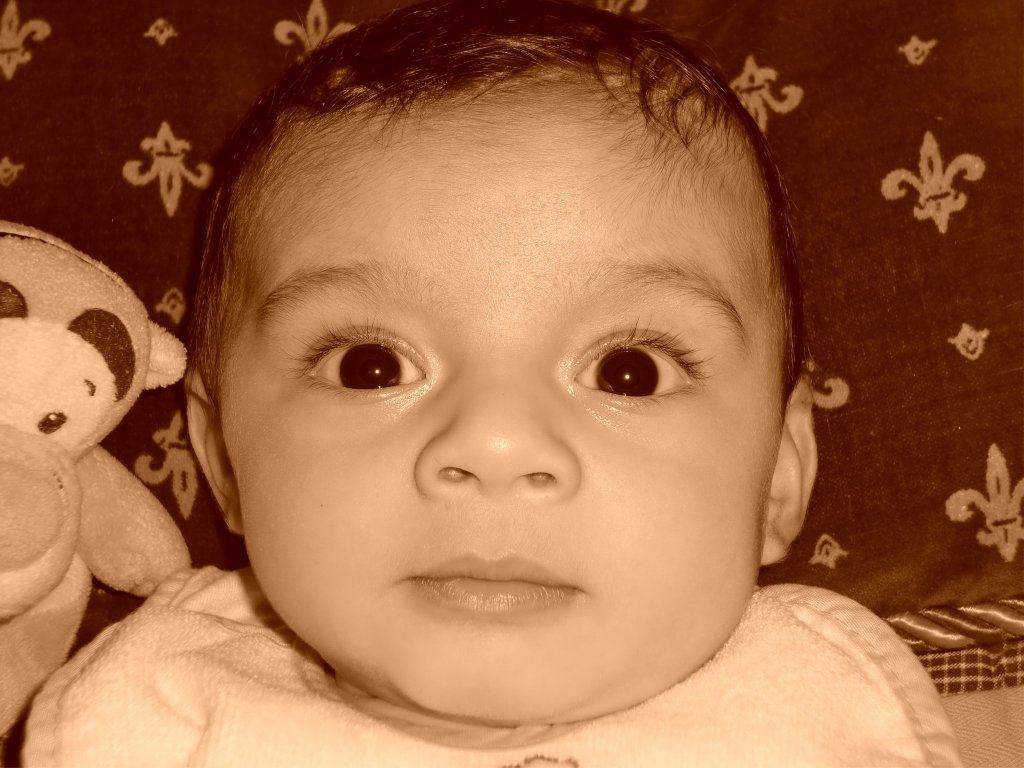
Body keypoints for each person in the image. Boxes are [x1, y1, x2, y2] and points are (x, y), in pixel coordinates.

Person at [23, 1, 960, 764]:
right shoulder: (173, 714)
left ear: (780, 476)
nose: (497, 444)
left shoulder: (817, 716)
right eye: (371, 366)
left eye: (627, 371)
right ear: (225, 458)